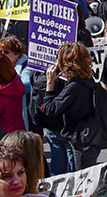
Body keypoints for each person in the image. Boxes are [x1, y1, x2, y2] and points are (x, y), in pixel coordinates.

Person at [40, 42, 102, 171]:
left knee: (82, 175)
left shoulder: (74, 87)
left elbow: (51, 109)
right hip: (89, 135)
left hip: (81, 139)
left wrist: (50, 84)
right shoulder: (87, 79)